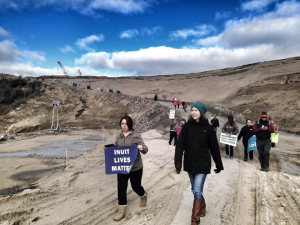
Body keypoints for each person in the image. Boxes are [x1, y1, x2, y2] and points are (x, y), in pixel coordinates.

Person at [175, 101, 224, 225]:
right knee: (194, 189)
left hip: (203, 163)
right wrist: (178, 160)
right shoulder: (186, 127)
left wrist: (219, 164)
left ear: (201, 112)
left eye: (196, 110)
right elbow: (180, 144)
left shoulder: (208, 128)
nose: (193, 112)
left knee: (197, 190)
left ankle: (195, 220)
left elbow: (214, 147)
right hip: (190, 163)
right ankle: (202, 206)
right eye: (192, 110)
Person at [105, 115, 148, 221]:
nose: (124, 126)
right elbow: (117, 149)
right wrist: (109, 149)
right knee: (121, 188)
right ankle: (121, 211)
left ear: (130, 124)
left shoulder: (136, 135)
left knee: (136, 186)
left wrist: (142, 148)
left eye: (125, 124)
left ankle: (143, 195)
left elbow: (145, 149)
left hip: (135, 167)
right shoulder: (119, 136)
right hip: (122, 167)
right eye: (122, 124)